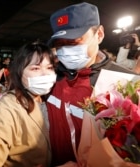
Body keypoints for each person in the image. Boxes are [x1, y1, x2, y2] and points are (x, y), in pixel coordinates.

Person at [46, 2, 136, 166]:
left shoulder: (127, 82)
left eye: (75, 41)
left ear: (99, 34)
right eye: (60, 44)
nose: (66, 50)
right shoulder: (50, 77)